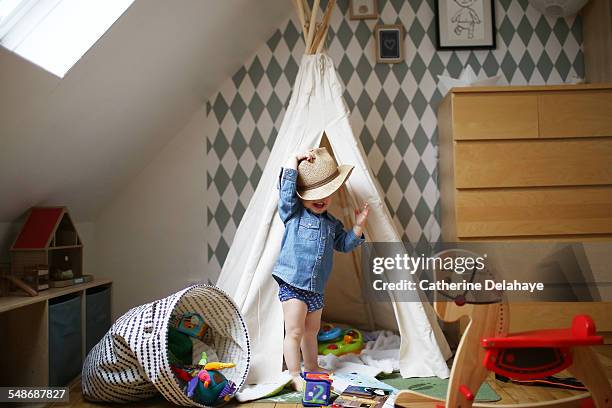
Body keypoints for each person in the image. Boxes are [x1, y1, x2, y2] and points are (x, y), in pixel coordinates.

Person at [272, 147, 369, 390]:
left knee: (311, 330)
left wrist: (357, 227)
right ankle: (295, 374)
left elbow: (344, 245)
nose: (321, 198)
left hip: (316, 287)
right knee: (294, 330)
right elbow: (285, 196)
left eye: (327, 193)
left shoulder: (331, 223)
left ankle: (312, 366)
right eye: (315, 194)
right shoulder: (293, 214)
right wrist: (293, 162)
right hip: (293, 282)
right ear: (301, 195)